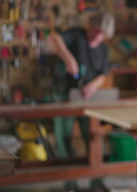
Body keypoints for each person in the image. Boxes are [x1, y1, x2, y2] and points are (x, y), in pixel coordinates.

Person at [47, 12, 115, 192]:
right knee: (64, 139)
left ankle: (96, 181)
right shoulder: (76, 34)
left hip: (87, 98)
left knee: (93, 138)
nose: (97, 36)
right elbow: (53, 37)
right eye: (95, 31)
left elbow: (103, 74)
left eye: (102, 34)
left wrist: (92, 86)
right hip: (63, 95)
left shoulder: (103, 49)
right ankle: (70, 182)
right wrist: (68, 58)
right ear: (90, 26)